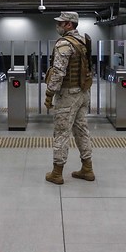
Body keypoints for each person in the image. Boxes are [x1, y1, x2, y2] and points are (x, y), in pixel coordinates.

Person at [44, 11, 95, 184]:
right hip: (82, 93)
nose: (58, 26)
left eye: (61, 23)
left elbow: (58, 72)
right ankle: (87, 168)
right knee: (81, 130)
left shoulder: (64, 44)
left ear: (69, 25)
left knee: (61, 132)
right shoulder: (82, 41)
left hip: (68, 95)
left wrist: (49, 93)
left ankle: (57, 173)